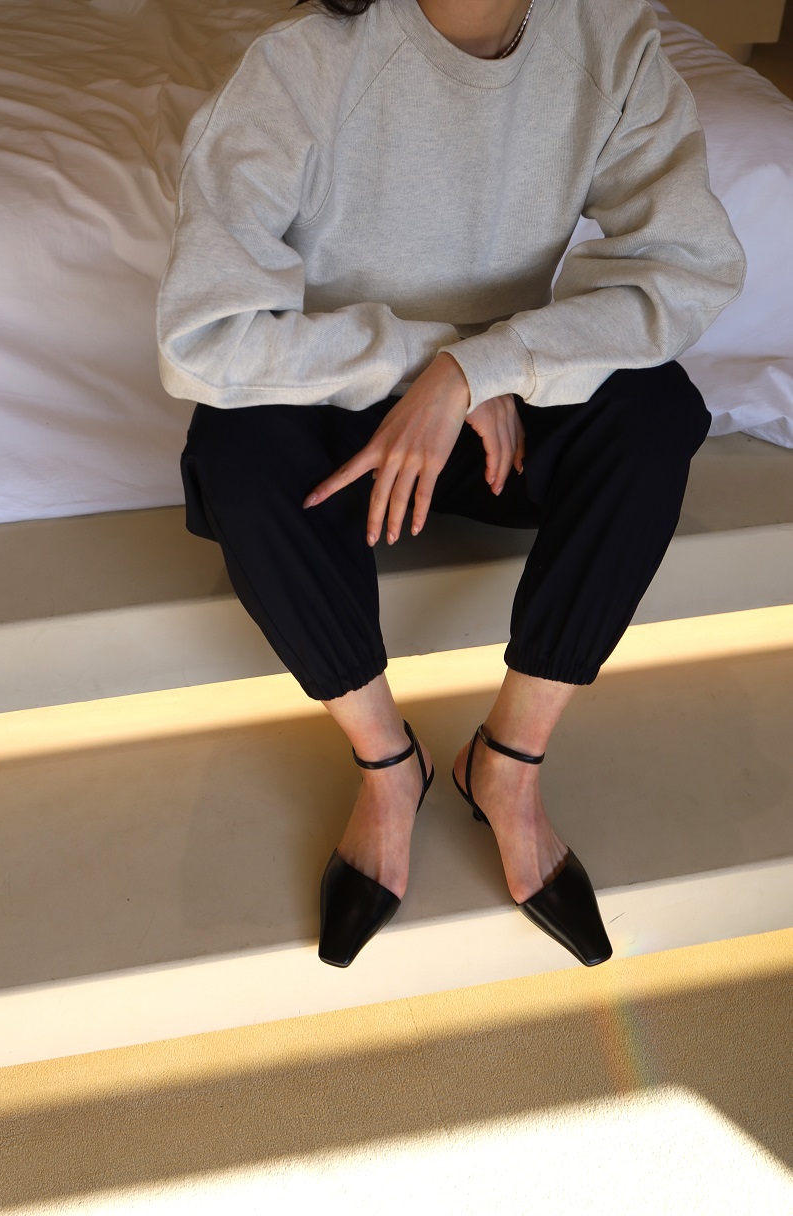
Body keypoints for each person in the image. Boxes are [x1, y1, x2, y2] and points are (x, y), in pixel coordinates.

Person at [157, 0, 746, 968]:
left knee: (656, 413)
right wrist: (438, 362)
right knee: (237, 447)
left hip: (498, 422)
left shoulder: (611, 42)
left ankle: (507, 764)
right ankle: (389, 765)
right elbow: (202, 337)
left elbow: (686, 273)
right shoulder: (302, 65)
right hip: (346, 418)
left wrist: (489, 368)